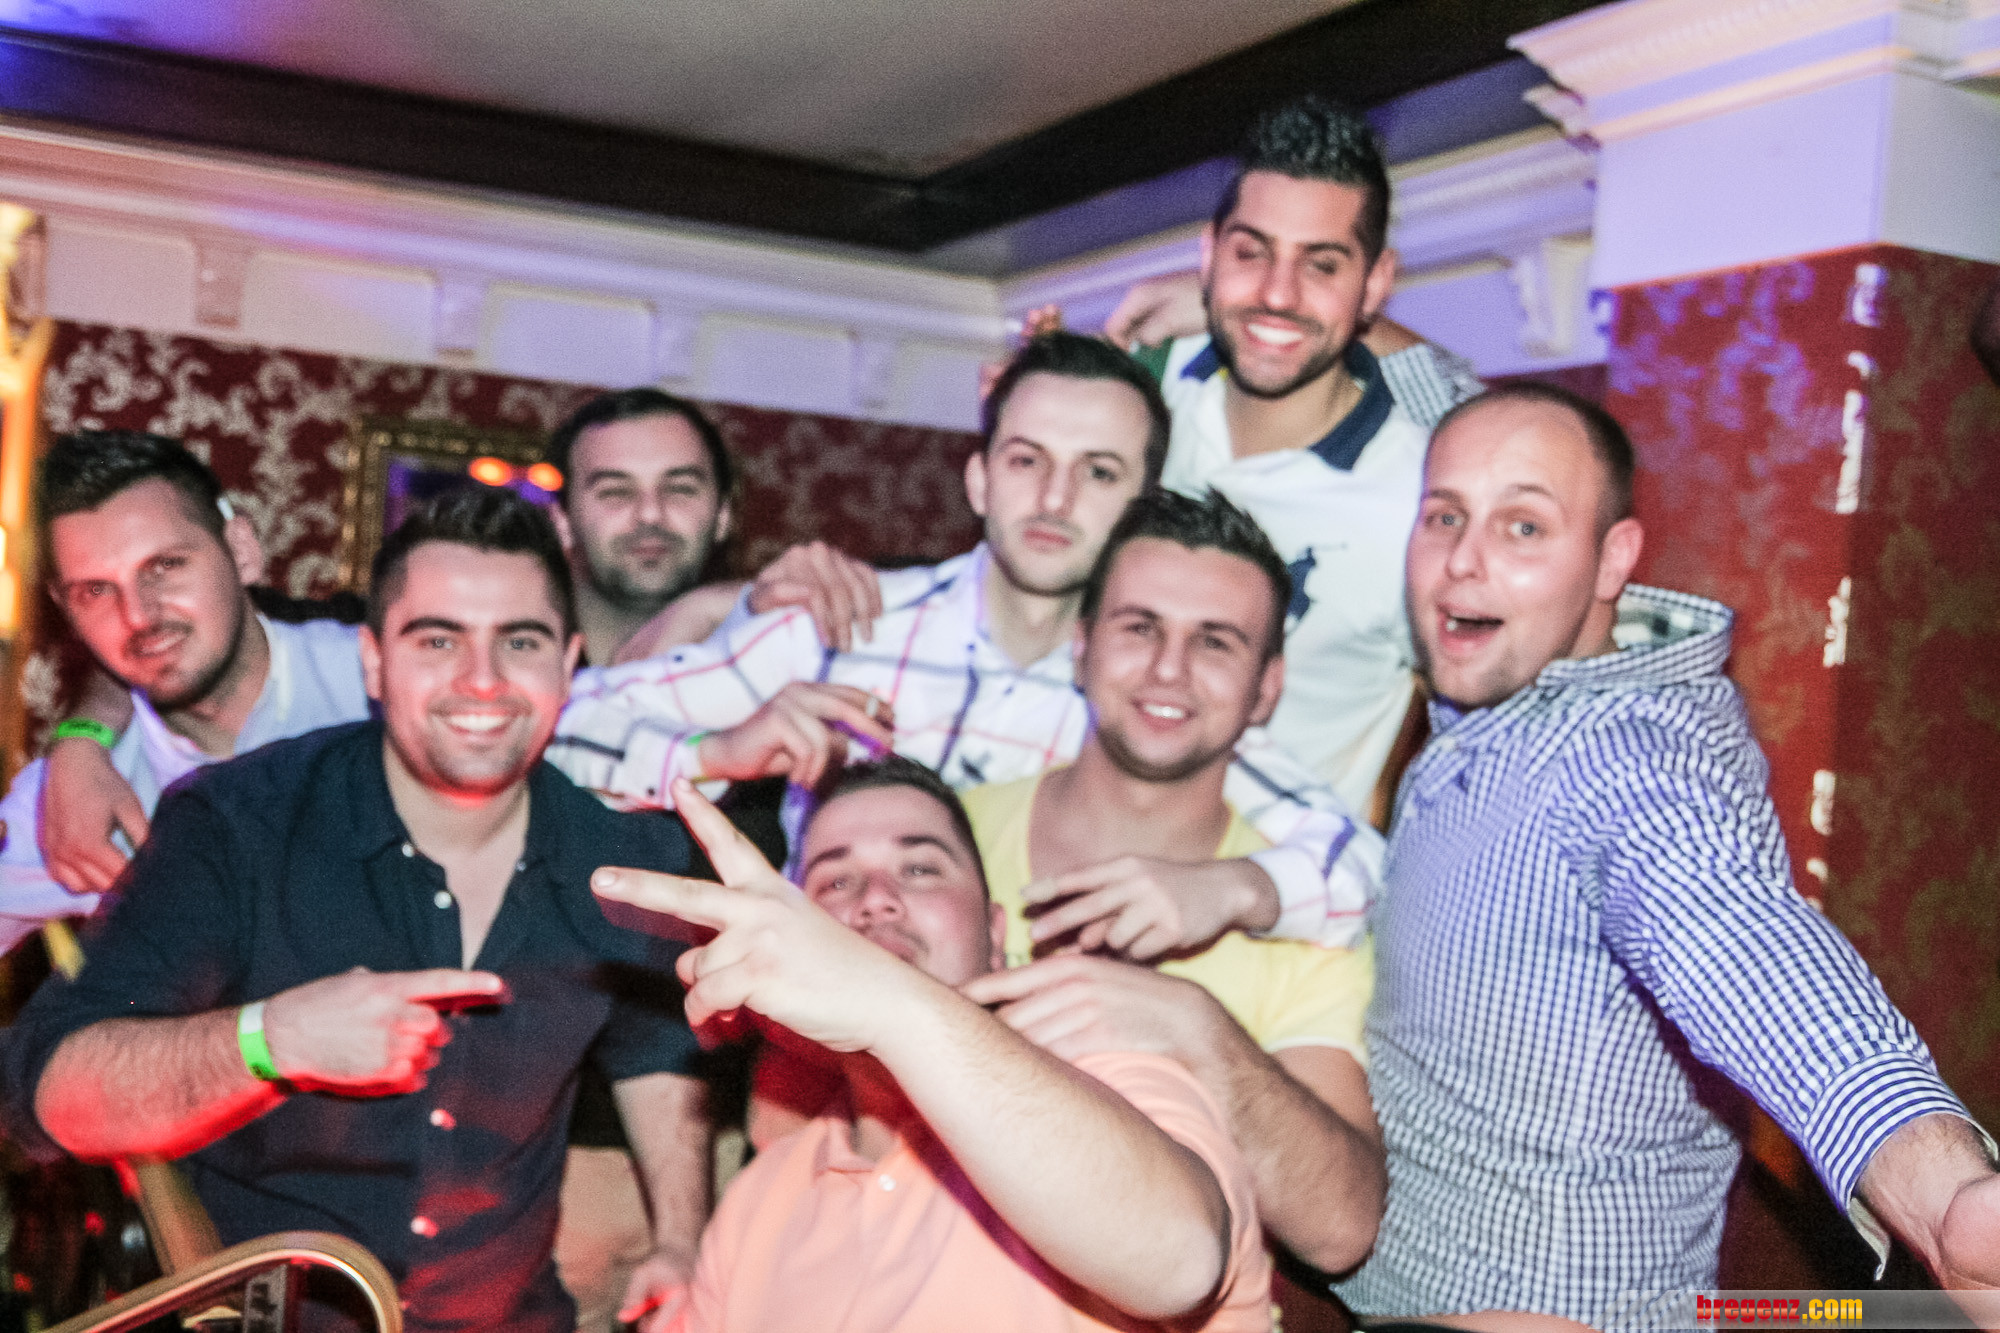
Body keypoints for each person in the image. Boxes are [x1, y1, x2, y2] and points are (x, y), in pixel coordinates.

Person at [1338, 382, 2000, 1328]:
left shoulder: (1634, 753)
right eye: (1443, 516)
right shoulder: (1500, 687)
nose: (1462, 562)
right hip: (1373, 1282)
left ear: (1615, 558)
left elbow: (1734, 936)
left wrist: (1943, 1196)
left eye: (1524, 527)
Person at [3, 489, 711, 1333]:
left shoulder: (628, 860)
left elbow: (653, 1050)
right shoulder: (237, 827)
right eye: (437, 639)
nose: (482, 678)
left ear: (569, 662)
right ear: (374, 663)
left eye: (519, 641)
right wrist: (272, 1039)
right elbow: (48, 1090)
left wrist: (682, 1240)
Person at [552, 332, 1379, 958]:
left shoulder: (1148, 694)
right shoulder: (844, 626)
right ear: (980, 478)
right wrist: (718, 750)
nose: (1054, 497)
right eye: (1027, 460)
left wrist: (1237, 886)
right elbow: (560, 724)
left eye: (1098, 471)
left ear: (1143, 499)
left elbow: (1359, 863)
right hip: (823, 1054)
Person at [591, 759, 1273, 1332]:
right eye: (835, 881)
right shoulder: (757, 1205)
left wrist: (889, 997)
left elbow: (1180, 1260)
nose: (876, 899)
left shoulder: (1113, 1083)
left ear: (996, 934)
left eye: (920, 869)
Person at [957, 488, 1385, 1277]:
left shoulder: (1302, 918)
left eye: (1215, 642)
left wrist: (1194, 1028)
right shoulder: (946, 844)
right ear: (1081, 645)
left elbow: (1340, 1229)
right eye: (1140, 627)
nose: (1168, 669)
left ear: (1266, 688)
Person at [1118, 95, 1471, 817]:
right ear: (1208, 255)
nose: (1277, 295)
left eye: (1322, 265)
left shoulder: (1423, 500)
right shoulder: (1137, 402)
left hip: (1291, 880)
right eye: (1251, 253)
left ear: (1376, 284)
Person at [0, 431, 371, 949]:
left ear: (241, 551)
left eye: (166, 566)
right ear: (67, 611)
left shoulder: (380, 682)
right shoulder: (72, 805)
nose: (139, 616)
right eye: (96, 591)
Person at [542, 389, 739, 668]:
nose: (650, 514)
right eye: (615, 492)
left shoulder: (776, 666)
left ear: (723, 516)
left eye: (680, 489)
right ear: (562, 521)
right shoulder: (508, 666)